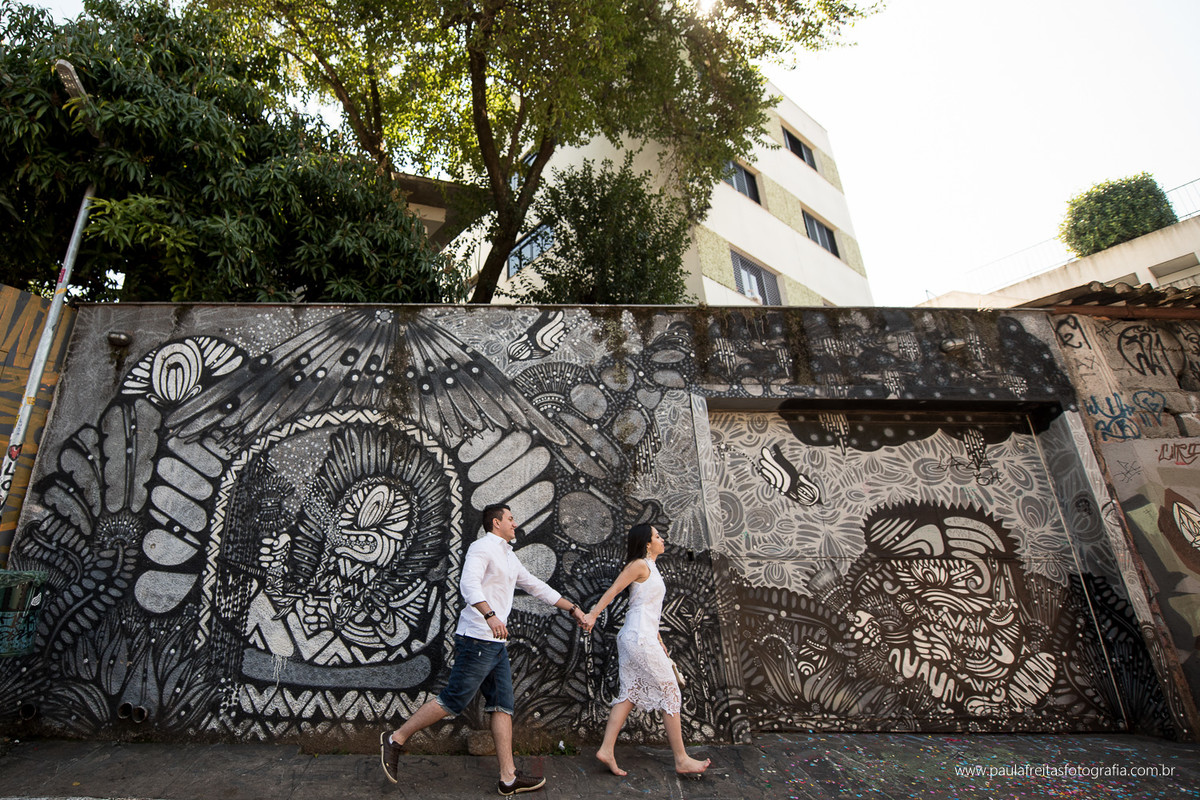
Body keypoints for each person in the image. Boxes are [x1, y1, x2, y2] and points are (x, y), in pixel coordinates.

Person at [380, 503, 590, 796]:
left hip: (495, 645)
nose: (515, 524)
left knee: (502, 705)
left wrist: (574, 609)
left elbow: (535, 586)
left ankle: (508, 778)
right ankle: (396, 739)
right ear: (496, 523)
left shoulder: (507, 554)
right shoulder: (482, 548)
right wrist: (490, 615)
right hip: (478, 638)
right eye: (511, 519)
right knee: (454, 700)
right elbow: (469, 585)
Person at [582, 524, 710, 778]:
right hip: (638, 637)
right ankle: (682, 759)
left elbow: (646, 606)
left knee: (630, 692)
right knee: (671, 689)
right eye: (657, 536)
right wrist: (593, 615)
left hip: (642, 635)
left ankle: (606, 750)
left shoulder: (652, 567)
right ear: (647, 543)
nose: (662, 539)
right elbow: (615, 589)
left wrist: (659, 637)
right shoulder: (639, 565)